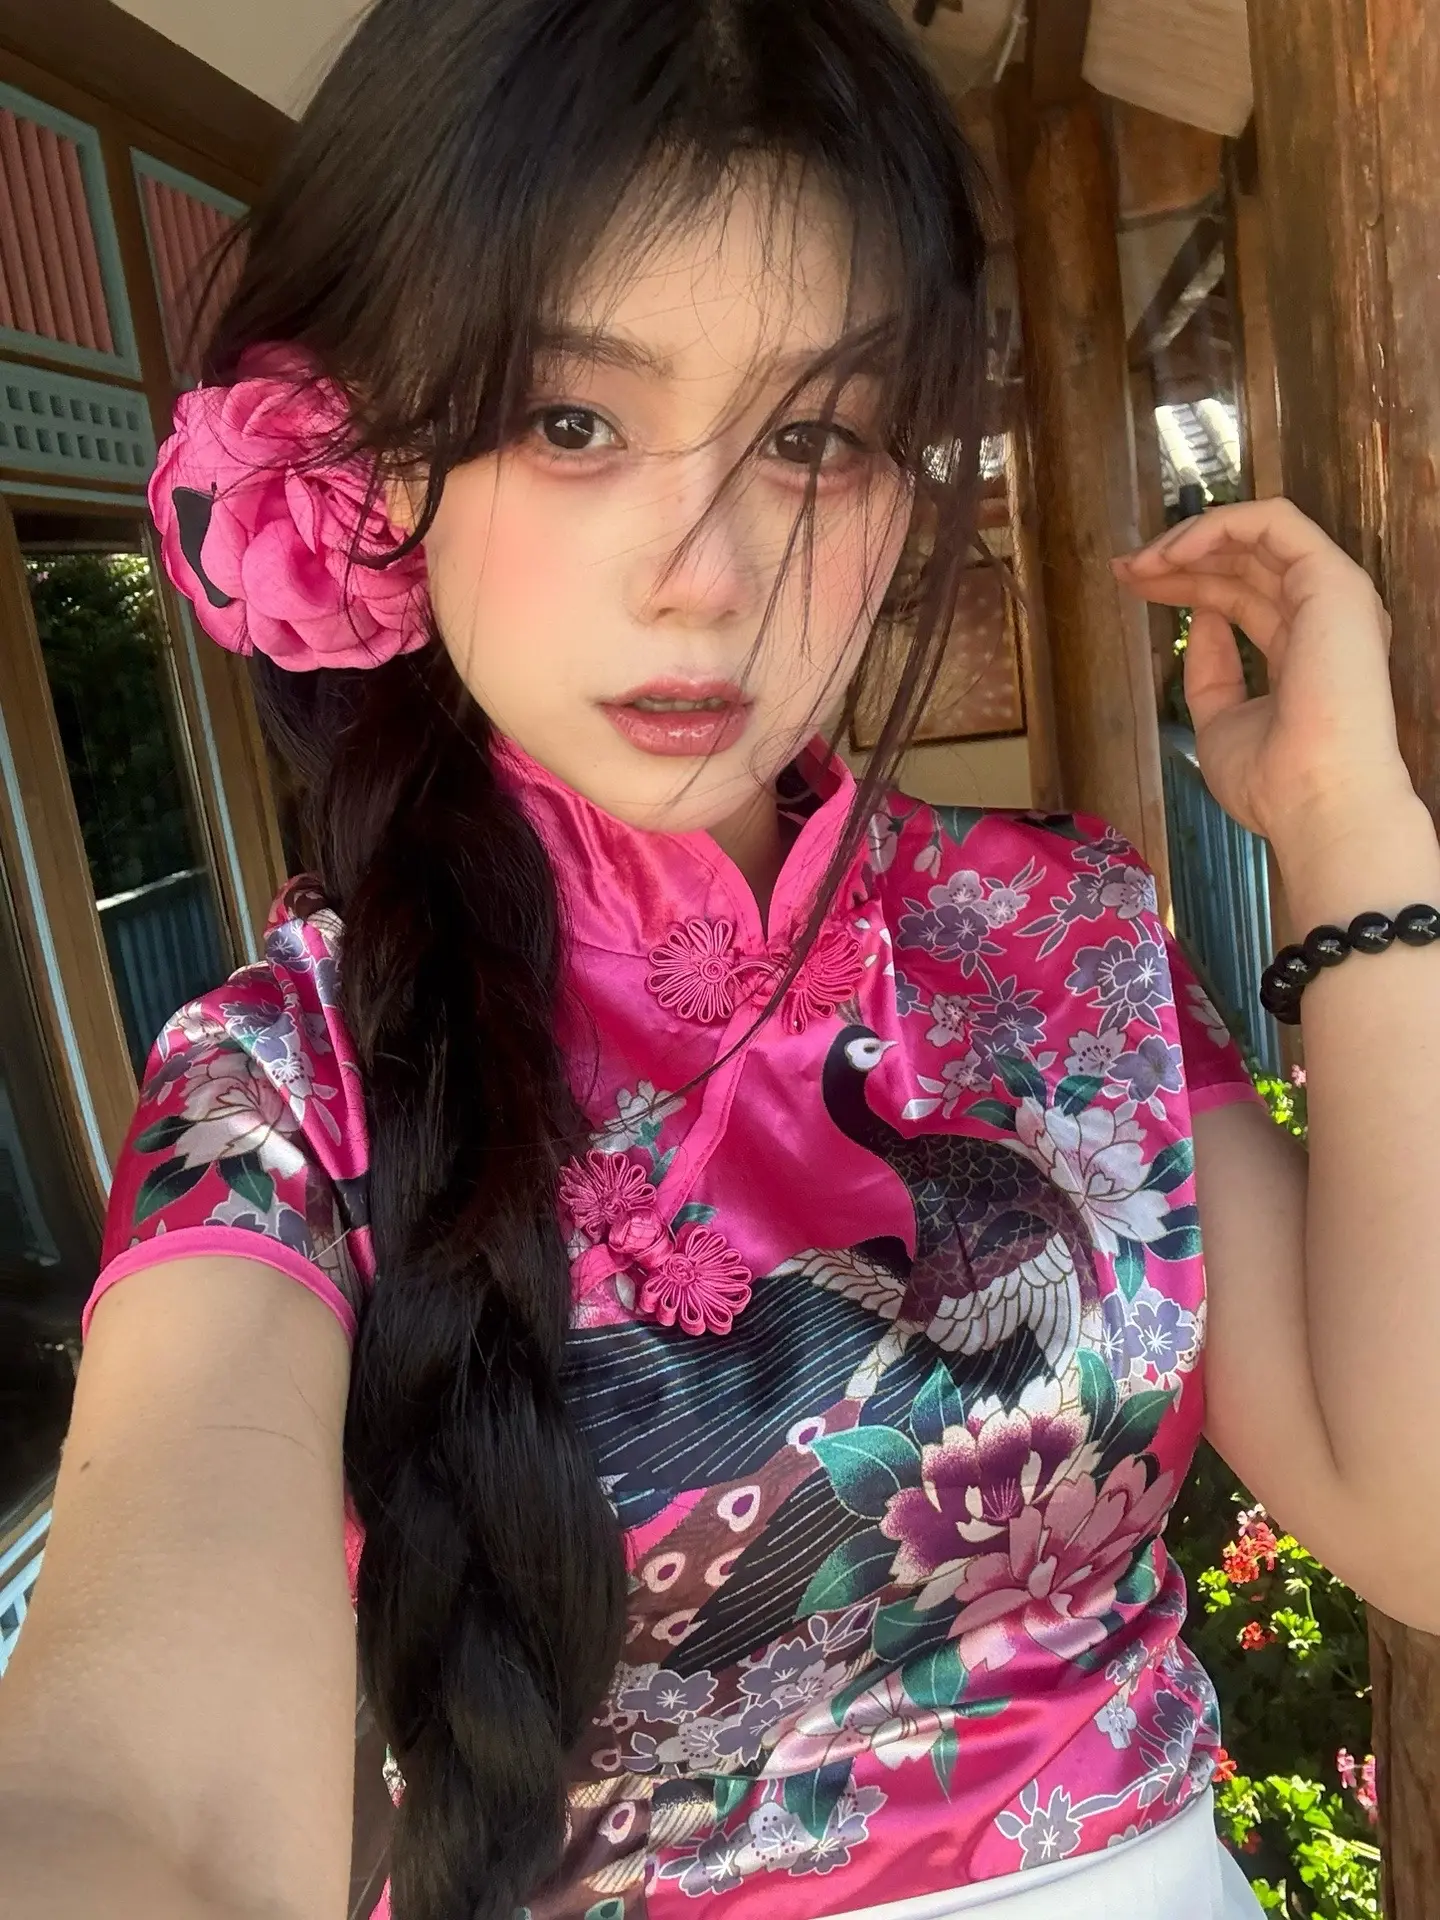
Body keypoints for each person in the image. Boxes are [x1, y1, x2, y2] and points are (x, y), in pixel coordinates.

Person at [1, 1, 1436, 1916]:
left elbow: (1409, 1506)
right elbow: (143, 1795)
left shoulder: (1060, 942)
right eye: (572, 420)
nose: (706, 572)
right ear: (380, 460)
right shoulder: (287, 1087)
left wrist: (1354, 841)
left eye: (813, 438)